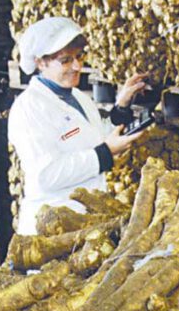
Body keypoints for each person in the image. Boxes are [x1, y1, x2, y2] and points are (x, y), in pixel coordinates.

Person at [8, 16, 149, 235]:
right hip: (51, 229)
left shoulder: (76, 97)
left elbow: (91, 135)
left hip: (84, 223)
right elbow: (46, 174)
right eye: (65, 60)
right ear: (40, 62)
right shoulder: (29, 109)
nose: (77, 66)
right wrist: (105, 154)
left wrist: (121, 106)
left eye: (79, 56)